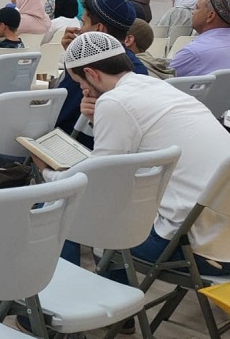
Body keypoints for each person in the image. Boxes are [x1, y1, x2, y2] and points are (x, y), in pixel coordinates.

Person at [36, 32, 230, 280]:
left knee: (58, 208)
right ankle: (111, 299)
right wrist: (97, 119)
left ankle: (60, 295)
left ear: (92, 74)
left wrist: (46, 172)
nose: (83, 91)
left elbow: (95, 184)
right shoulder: (157, 87)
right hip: (217, 240)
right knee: (116, 210)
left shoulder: (115, 101)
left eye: (81, 84)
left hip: (194, 250)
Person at [55, 0, 149, 147]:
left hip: (75, 145)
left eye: (84, 23)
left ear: (99, 28)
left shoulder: (91, 68)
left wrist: (76, 60)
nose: (80, 30)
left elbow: (60, 113)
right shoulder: (138, 69)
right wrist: (74, 53)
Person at [170, 0, 230, 77]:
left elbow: (162, 81)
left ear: (210, 16)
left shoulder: (192, 53)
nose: (193, 12)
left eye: (197, 8)